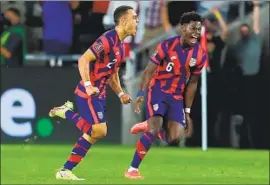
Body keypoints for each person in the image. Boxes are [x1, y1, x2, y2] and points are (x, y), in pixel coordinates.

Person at [49, 6, 139, 180]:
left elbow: (112, 74)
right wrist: (89, 85)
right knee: (99, 131)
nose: (137, 21)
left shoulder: (120, 46)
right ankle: (65, 112)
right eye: (134, 17)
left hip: (100, 93)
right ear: (123, 21)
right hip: (88, 92)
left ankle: (65, 170)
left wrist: (121, 94)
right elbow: (84, 59)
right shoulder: (108, 39)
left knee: (92, 135)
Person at [124, 11, 207, 179]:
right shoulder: (166, 45)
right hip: (158, 91)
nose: (196, 33)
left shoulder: (200, 55)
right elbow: (148, 71)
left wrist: (187, 111)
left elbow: (192, 83)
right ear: (183, 28)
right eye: (193, 28)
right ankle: (132, 169)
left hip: (176, 96)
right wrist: (141, 92)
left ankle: (150, 125)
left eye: (199, 30)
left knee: (175, 137)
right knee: (154, 129)